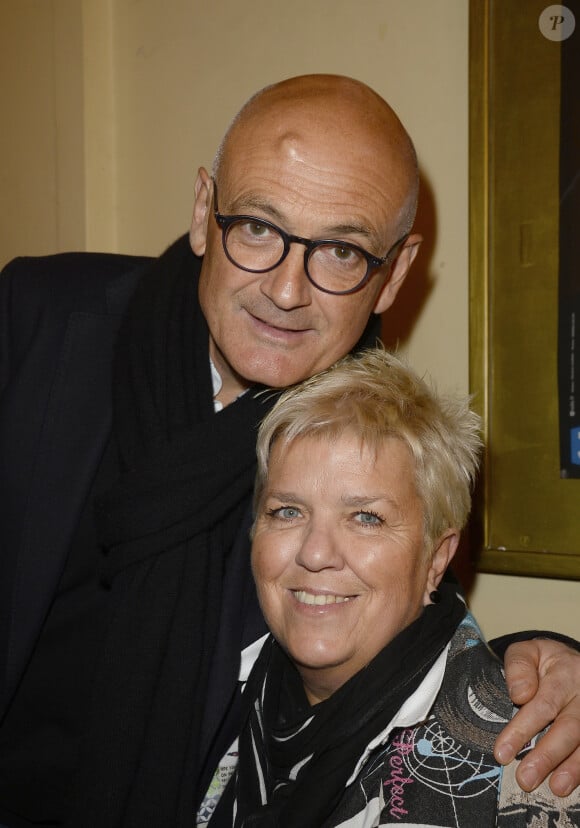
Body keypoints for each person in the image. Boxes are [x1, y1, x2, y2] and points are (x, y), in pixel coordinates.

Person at [0, 74, 578, 828]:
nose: (285, 289)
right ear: (206, 211)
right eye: (259, 228)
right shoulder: (41, 321)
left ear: (395, 272)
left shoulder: (365, 437)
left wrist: (548, 660)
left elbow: (401, 613)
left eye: (340, 250)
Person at [211, 347, 580, 827]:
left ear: (436, 559)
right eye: (287, 511)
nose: (314, 553)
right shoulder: (210, 693)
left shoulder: (532, 761)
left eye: (366, 517)